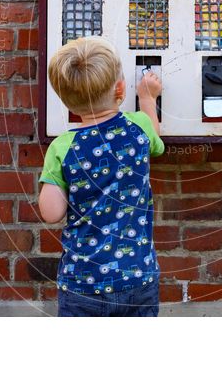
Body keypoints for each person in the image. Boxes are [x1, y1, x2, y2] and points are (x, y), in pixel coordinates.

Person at [38, 36, 164, 316]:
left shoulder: (62, 147)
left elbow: (51, 212)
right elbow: (157, 140)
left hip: (82, 282)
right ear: (120, 88)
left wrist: (54, 176)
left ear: (67, 102)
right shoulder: (139, 127)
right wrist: (147, 97)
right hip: (137, 276)